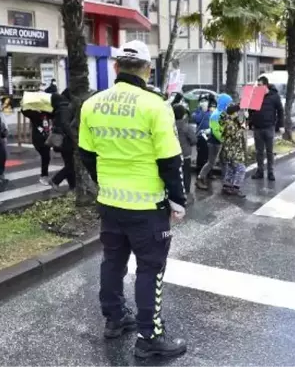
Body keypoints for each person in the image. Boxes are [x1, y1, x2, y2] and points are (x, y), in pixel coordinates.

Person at [78, 40, 187, 358]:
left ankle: (114, 319)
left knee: (112, 261)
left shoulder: (92, 104)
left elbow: (86, 155)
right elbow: (171, 161)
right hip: (147, 207)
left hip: (110, 203)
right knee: (150, 269)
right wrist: (178, 201)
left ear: (116, 67)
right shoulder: (156, 106)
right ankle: (149, 337)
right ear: (147, 70)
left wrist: (106, 183)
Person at [249, 76, 284, 181]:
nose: (257, 87)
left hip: (269, 128)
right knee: (259, 151)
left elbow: (280, 111)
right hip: (258, 128)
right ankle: (260, 171)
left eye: (259, 85)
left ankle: (270, 172)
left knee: (269, 152)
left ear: (265, 85)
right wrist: (250, 122)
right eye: (257, 85)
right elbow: (251, 111)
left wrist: (281, 125)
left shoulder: (274, 96)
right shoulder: (256, 95)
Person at [196, 93, 232, 190]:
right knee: (211, 162)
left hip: (219, 142)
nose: (230, 105)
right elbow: (216, 131)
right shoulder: (216, 114)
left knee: (224, 162)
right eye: (228, 103)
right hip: (215, 143)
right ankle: (200, 178)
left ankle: (226, 182)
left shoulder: (221, 112)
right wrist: (223, 139)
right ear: (224, 103)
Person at [49, 90, 76, 190]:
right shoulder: (65, 108)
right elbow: (66, 125)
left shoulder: (58, 108)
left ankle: (73, 187)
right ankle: (55, 180)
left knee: (69, 164)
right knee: (72, 164)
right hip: (67, 140)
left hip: (62, 140)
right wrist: (74, 137)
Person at [220, 103, 247, 197]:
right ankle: (236, 188)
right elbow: (236, 135)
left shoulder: (229, 120)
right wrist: (243, 125)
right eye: (237, 112)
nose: (239, 114)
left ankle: (226, 186)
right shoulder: (230, 123)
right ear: (233, 113)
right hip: (233, 150)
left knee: (231, 168)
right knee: (241, 169)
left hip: (230, 149)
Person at [21, 107, 53, 185]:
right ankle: (43, 176)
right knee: (45, 156)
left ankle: (44, 175)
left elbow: (53, 114)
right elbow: (24, 111)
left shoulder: (47, 112)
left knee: (46, 157)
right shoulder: (34, 113)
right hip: (38, 138)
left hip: (47, 137)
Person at [173, 104, 196, 194]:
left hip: (173, 153)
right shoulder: (186, 126)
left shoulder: (169, 125)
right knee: (186, 173)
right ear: (183, 114)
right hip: (185, 154)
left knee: (175, 174)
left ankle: (176, 191)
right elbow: (194, 140)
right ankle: (186, 191)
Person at [193, 95, 216, 172]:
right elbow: (197, 119)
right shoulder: (197, 111)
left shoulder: (211, 111)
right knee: (201, 154)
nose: (204, 102)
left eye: (205, 100)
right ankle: (199, 169)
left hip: (209, 135)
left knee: (209, 155)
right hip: (201, 136)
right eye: (202, 101)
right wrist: (202, 111)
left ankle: (209, 172)